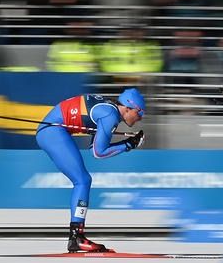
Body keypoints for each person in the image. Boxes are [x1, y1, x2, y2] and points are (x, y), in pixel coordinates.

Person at [36, 87, 147, 253]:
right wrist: (128, 145)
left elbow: (93, 147)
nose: (140, 118)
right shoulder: (110, 115)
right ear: (128, 107)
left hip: (52, 130)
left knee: (83, 180)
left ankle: (76, 237)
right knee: (82, 181)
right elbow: (98, 152)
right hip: (53, 131)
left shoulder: (109, 111)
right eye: (140, 113)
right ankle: (76, 238)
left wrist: (127, 143)